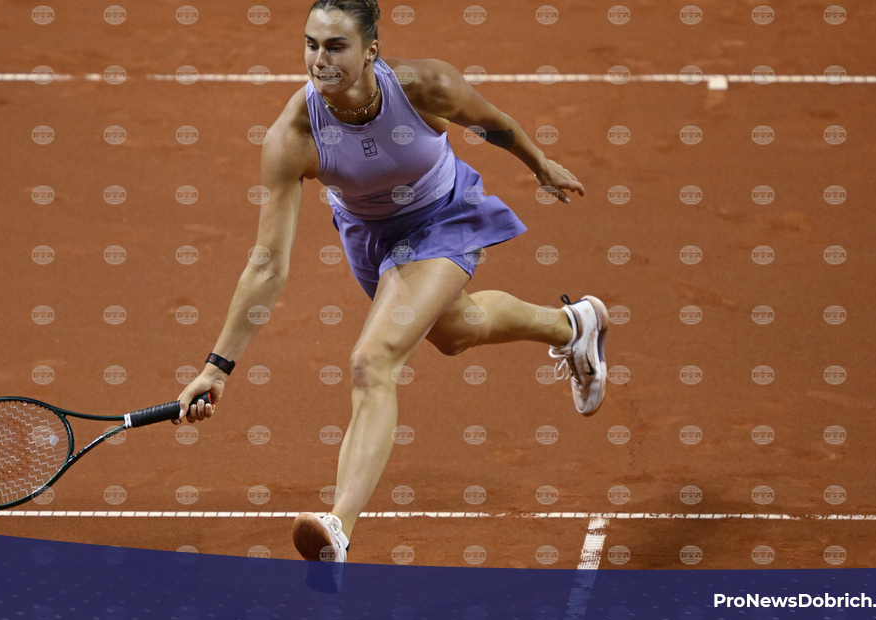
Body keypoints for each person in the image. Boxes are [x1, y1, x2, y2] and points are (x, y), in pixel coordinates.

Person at [176, 0, 607, 575]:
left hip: (444, 215)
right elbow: (267, 267)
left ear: (370, 51)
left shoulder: (424, 86)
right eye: (311, 44)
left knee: (371, 360)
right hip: (368, 237)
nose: (319, 59)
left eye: (336, 46)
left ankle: (338, 528)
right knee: (453, 333)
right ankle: (573, 325)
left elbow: (491, 122)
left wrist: (540, 163)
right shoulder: (294, 135)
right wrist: (216, 367)